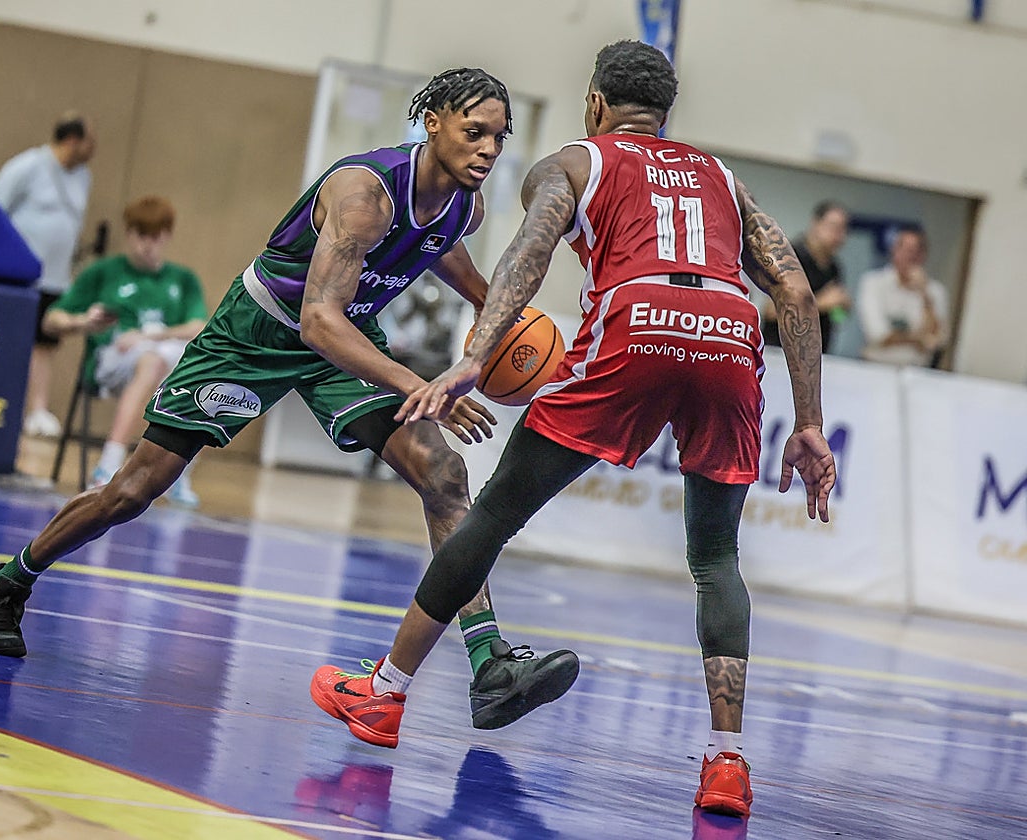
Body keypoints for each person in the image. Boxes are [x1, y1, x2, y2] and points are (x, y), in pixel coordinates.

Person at [311, 41, 837, 820]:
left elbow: (527, 256)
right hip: (730, 331)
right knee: (717, 556)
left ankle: (385, 694)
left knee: (490, 515)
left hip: (639, 318)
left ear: (595, 102)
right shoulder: (724, 179)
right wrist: (812, 424)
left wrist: (476, 357)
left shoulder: (573, 163)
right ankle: (727, 764)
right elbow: (793, 288)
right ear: (667, 114)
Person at [0, 69, 579, 733]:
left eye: (499, 136)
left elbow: (445, 258)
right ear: (432, 121)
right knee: (134, 490)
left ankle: (489, 663)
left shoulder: (464, 205)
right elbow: (317, 321)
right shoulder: (362, 196)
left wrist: (502, 335)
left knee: (444, 473)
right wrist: (420, 385)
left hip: (345, 339)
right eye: (475, 132)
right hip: (257, 333)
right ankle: (10, 579)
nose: (489, 149)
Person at [42, 196, 207, 507]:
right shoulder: (103, 272)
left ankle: (179, 472)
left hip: (166, 363)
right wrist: (83, 321)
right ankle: (109, 466)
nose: (147, 245)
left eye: (155, 237)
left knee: (206, 373)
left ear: (167, 236)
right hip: (110, 361)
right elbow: (51, 321)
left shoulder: (183, 280)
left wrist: (148, 335)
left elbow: (199, 326)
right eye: (140, 235)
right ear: (129, 234)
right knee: (152, 360)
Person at [0, 111, 97, 439]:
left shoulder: (82, 177)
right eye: (87, 142)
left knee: (45, 345)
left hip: (57, 277)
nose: (92, 149)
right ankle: (4, 403)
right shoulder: (28, 166)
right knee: (15, 340)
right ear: (71, 141)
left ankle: (37, 409)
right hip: (23, 275)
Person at [759, 200, 851, 353]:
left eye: (843, 229)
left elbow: (833, 314)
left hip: (815, 353)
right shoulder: (790, 257)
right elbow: (770, 311)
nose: (839, 236)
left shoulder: (834, 268)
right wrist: (820, 303)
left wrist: (841, 307)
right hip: (780, 352)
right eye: (833, 227)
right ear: (816, 224)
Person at [857, 225, 948, 367]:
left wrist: (925, 296)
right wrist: (918, 339)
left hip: (917, 370)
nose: (910, 256)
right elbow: (878, 334)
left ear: (924, 255)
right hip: (875, 367)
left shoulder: (935, 291)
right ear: (894, 250)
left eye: (915, 251)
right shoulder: (873, 282)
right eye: (905, 250)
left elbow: (937, 340)